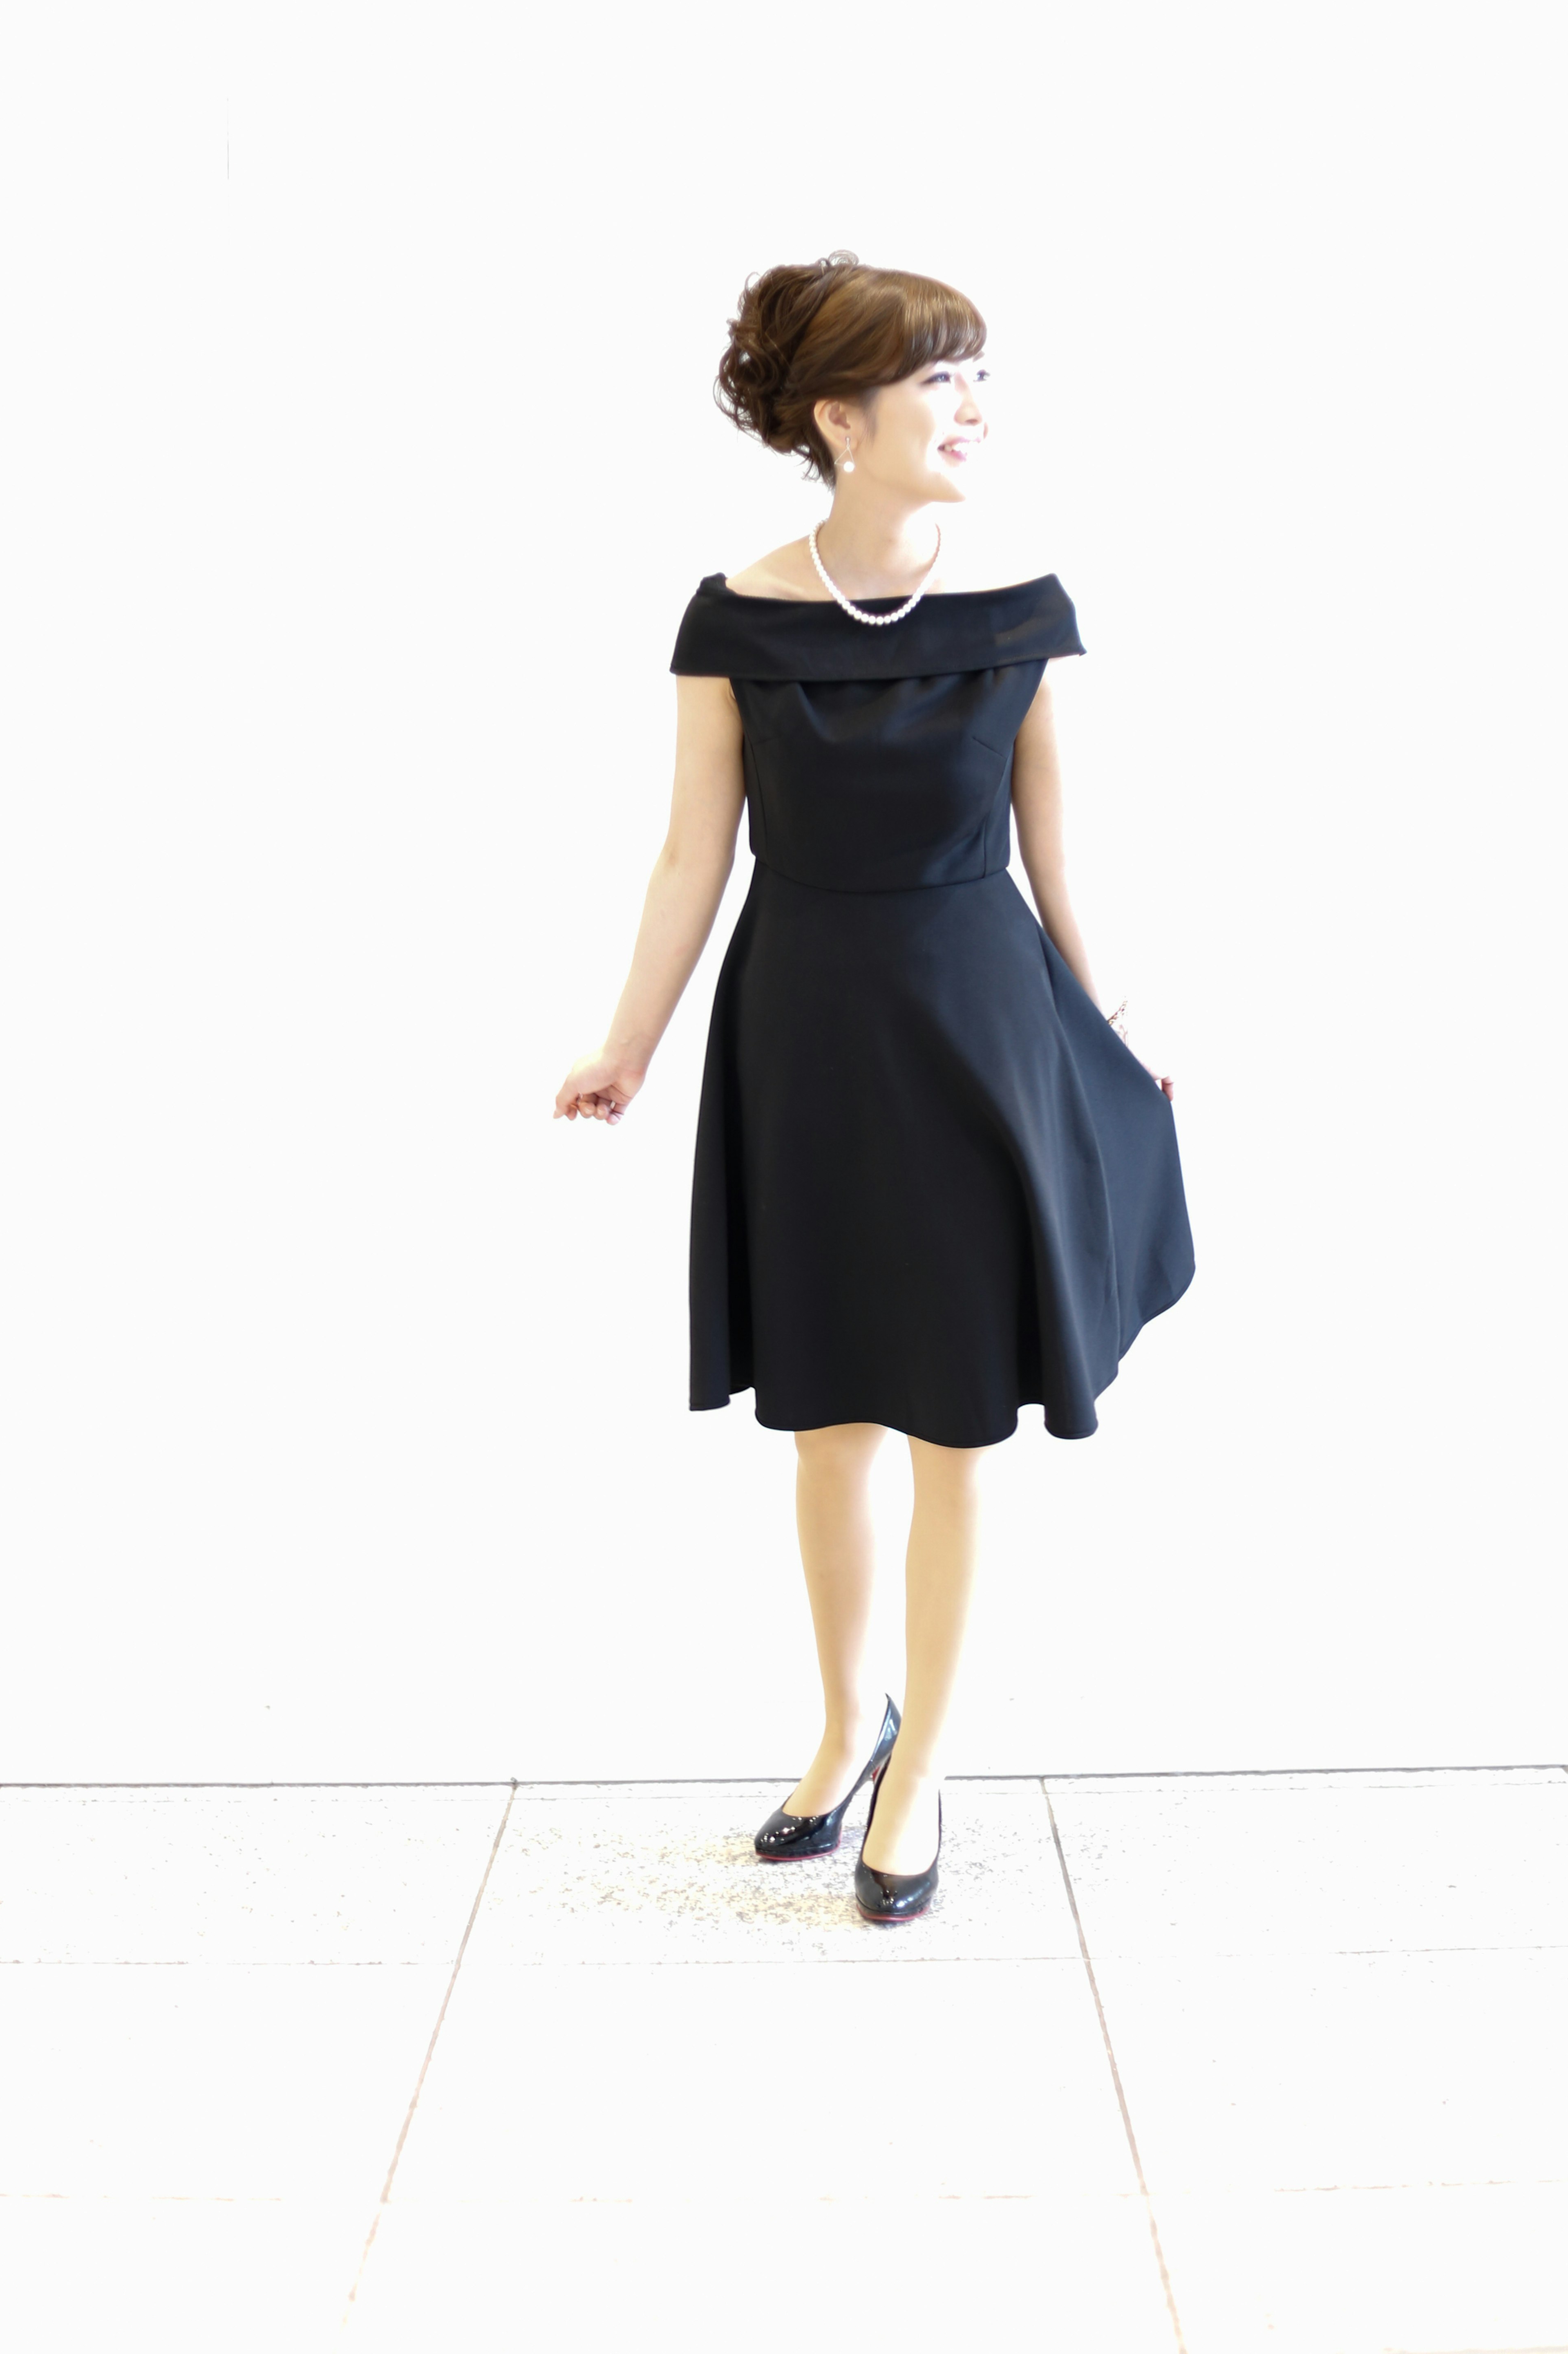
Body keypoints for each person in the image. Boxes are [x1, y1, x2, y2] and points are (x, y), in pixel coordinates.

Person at [554, 251, 1194, 1923]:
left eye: (980, 376)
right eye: (938, 382)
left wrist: (1122, 1020)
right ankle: (849, 1730)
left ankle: (927, 1770)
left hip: (982, 1031)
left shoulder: (1027, 609)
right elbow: (693, 851)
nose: (973, 409)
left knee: (957, 1425)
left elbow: (1066, 851)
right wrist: (626, 1039)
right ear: (839, 421)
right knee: (827, 1419)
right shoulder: (731, 619)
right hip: (806, 1032)